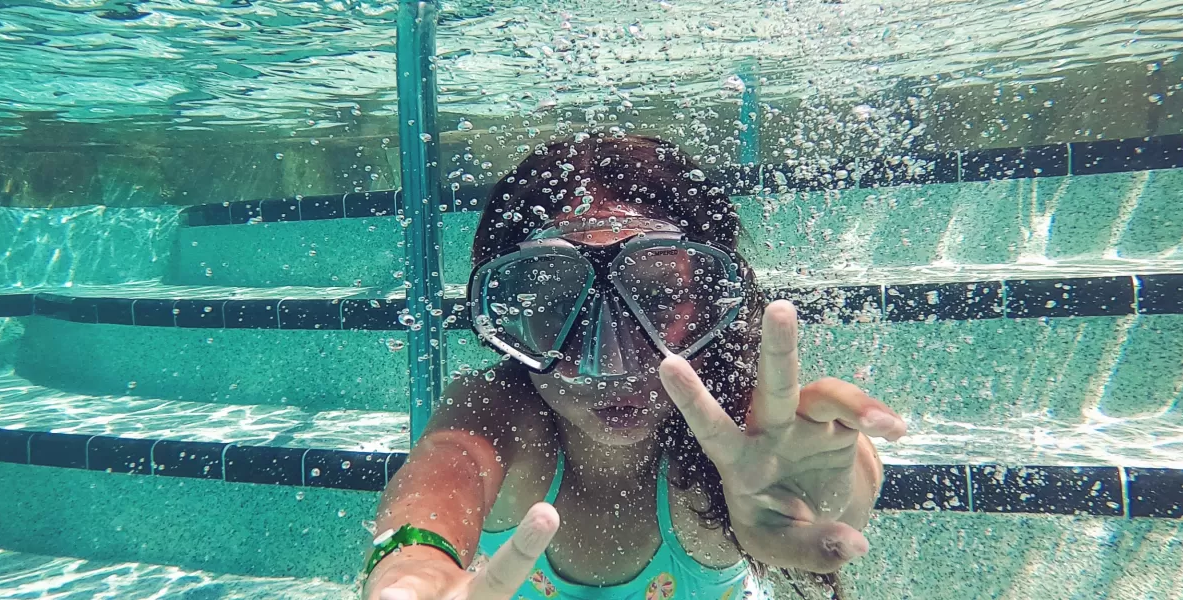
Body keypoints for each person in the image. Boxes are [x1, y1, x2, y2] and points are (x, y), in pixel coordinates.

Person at [361, 134, 905, 600]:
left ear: (714, 306)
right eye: (556, 305)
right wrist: (413, 567)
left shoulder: (745, 436)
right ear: (507, 321)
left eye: (659, 297)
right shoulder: (500, 411)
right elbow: (447, 467)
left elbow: (830, 469)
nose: (611, 360)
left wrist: (836, 493)